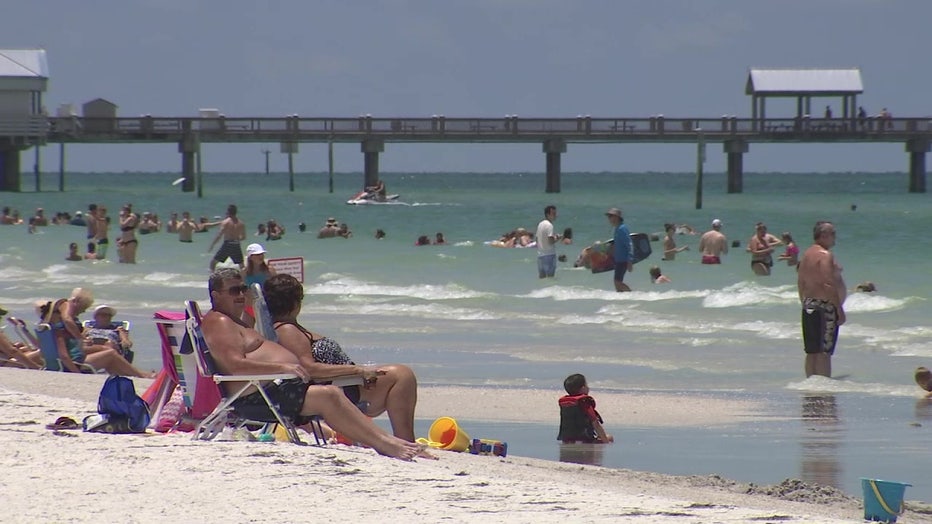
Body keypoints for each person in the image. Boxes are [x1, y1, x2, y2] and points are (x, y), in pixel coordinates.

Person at [201, 268, 425, 460]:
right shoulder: (219, 322)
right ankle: (387, 444)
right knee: (329, 395)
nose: (241, 295)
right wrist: (283, 367)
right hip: (257, 396)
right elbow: (235, 364)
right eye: (234, 291)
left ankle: (389, 442)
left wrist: (253, 304)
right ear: (216, 295)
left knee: (330, 394)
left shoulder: (232, 321)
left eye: (243, 289)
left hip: (268, 390)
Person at [264, 273, 427, 445]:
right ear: (296, 302)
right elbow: (310, 369)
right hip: (338, 388)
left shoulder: (285, 327)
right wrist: (358, 371)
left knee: (400, 374)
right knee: (402, 375)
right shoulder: (287, 330)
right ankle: (406, 441)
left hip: (344, 383)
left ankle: (402, 441)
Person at [797, 221, 846, 378]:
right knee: (824, 352)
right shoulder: (825, 255)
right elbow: (828, 283)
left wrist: (803, 302)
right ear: (824, 235)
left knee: (811, 351)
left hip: (809, 304)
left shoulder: (807, 254)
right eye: (833, 234)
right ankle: (823, 391)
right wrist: (839, 308)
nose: (835, 238)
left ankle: (811, 388)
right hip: (825, 307)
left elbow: (801, 282)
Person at [557, 373, 613, 444]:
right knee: (610, 438)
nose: (588, 387)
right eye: (587, 385)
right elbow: (595, 423)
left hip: (566, 440)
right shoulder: (584, 401)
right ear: (583, 388)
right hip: (584, 440)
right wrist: (606, 441)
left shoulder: (565, 402)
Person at [207, 204, 247, 270]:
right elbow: (244, 237)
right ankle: (244, 279)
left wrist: (212, 245)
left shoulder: (225, 222)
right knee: (241, 265)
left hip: (227, 244)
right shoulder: (241, 223)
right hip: (236, 244)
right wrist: (236, 239)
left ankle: (213, 278)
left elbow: (219, 235)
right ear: (236, 212)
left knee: (213, 263)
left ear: (228, 212)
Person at [606, 207, 632, 292]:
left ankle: (631, 295)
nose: (609, 219)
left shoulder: (622, 229)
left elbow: (629, 244)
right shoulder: (617, 229)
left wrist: (630, 260)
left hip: (623, 260)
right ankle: (622, 300)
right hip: (618, 260)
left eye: (611, 216)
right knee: (617, 283)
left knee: (617, 282)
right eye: (608, 216)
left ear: (617, 217)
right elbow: (618, 245)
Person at [535, 205, 561, 278]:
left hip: (540, 255)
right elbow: (550, 241)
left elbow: (537, 239)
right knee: (550, 278)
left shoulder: (540, 224)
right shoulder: (549, 225)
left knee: (542, 277)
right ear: (547, 214)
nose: (555, 216)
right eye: (553, 214)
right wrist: (558, 238)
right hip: (549, 255)